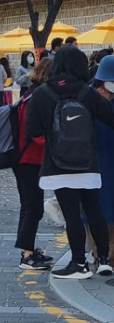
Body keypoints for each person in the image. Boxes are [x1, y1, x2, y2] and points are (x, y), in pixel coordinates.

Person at [25, 46, 114, 280]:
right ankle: (104, 261)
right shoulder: (87, 92)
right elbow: (110, 118)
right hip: (88, 162)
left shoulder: (42, 93)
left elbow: (32, 131)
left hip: (57, 165)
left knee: (71, 213)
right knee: (95, 210)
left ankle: (78, 264)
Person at [12, 57, 54, 270]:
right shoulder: (38, 97)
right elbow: (33, 133)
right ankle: (27, 256)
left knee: (28, 206)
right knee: (33, 207)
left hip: (23, 158)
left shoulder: (31, 93)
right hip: (29, 158)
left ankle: (26, 249)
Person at [92, 56, 114, 267]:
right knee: (95, 209)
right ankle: (100, 255)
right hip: (93, 162)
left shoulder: (84, 96)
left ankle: (106, 257)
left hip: (99, 160)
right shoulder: (87, 98)